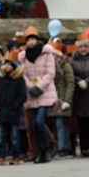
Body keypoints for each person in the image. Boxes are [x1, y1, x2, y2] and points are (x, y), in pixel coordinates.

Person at [19, 25, 58, 163]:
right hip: (32, 94)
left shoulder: (47, 54)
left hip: (45, 92)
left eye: (33, 39)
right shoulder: (23, 57)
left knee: (40, 122)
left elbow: (51, 73)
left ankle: (46, 149)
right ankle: (40, 151)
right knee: (34, 125)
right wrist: (30, 87)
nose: (30, 42)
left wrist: (39, 87)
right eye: (28, 40)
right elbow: (22, 74)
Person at [0, 59, 27, 165]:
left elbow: (22, 96)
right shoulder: (0, 80)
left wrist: (15, 107)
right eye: (5, 64)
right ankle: (1, 155)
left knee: (15, 136)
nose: (7, 66)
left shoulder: (19, 80)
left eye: (9, 64)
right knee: (1, 135)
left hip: (14, 112)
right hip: (1, 112)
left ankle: (16, 156)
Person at [71, 39, 89, 156]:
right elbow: (71, 74)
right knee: (81, 122)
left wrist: (88, 81)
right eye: (81, 47)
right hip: (79, 94)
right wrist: (79, 81)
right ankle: (83, 147)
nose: (83, 49)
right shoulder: (73, 60)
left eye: (85, 47)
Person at [49, 49, 76, 158]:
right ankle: (60, 146)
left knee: (60, 123)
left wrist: (68, 100)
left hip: (63, 98)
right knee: (56, 124)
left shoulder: (66, 66)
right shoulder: (49, 66)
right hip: (52, 98)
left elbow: (70, 83)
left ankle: (63, 147)